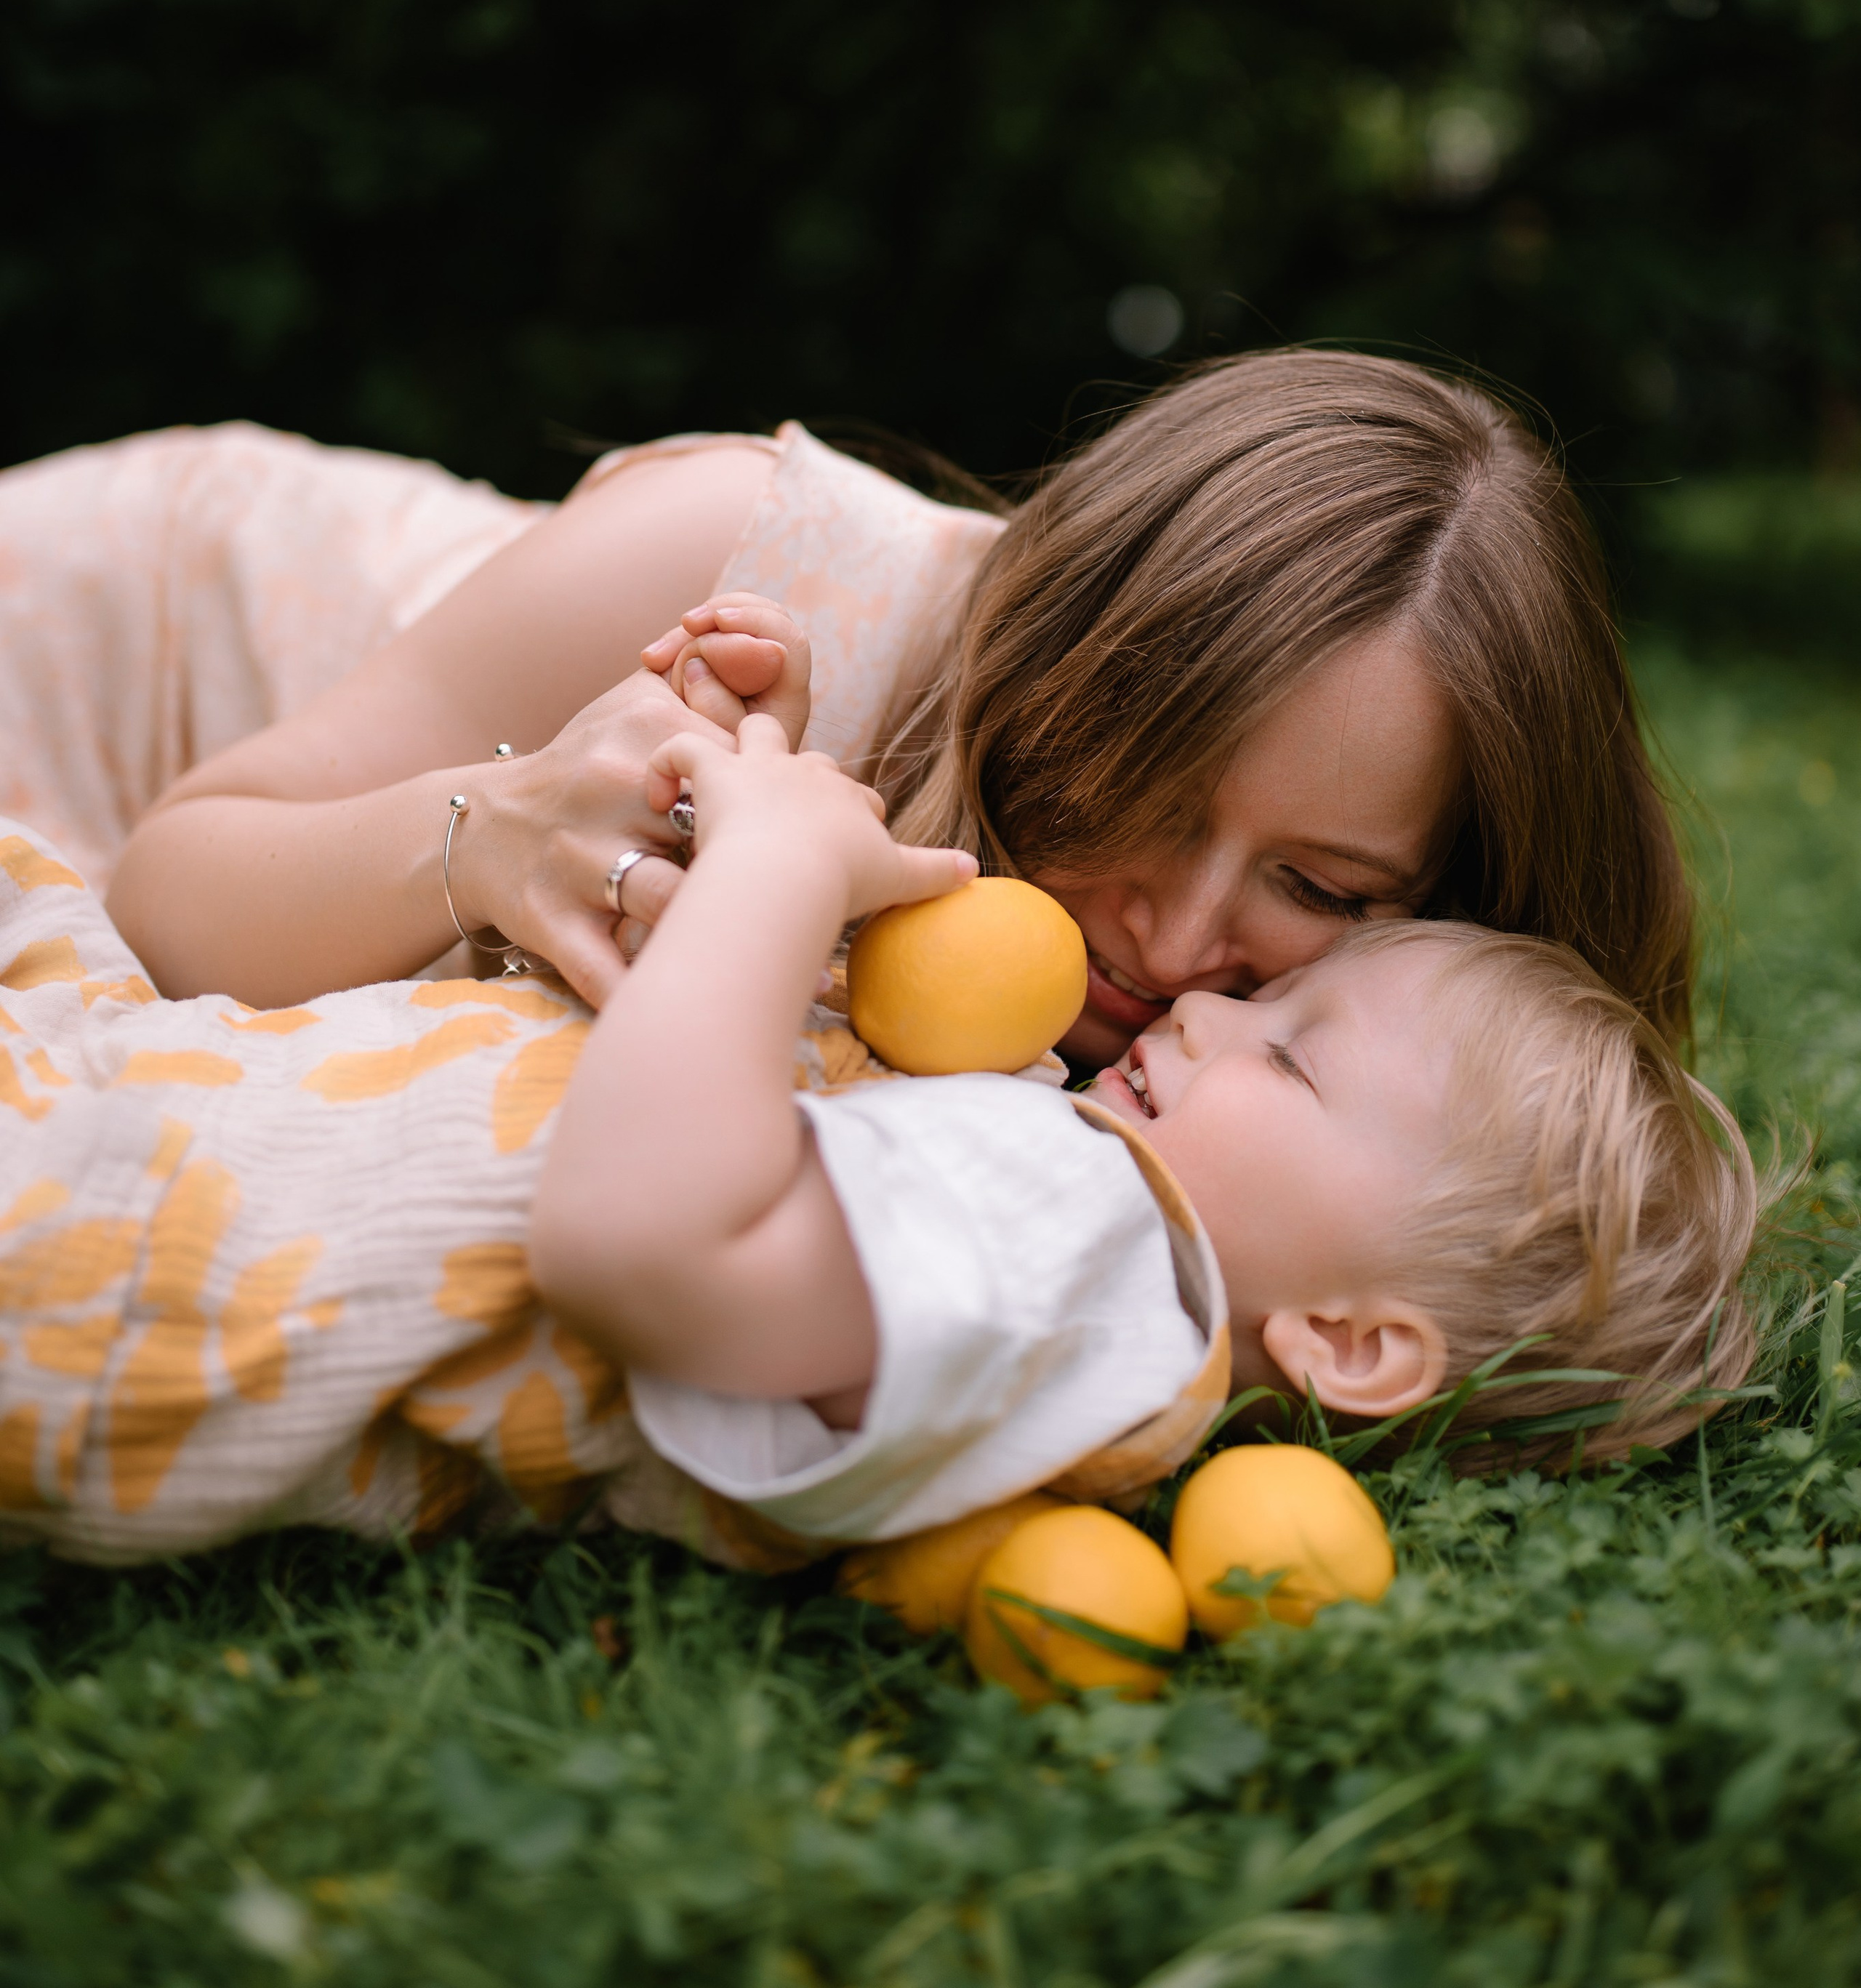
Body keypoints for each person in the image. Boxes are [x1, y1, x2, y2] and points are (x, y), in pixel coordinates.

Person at [0, 709, 1758, 1567]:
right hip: (158, 1098)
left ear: (1352, 1344)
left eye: (1291, 1062)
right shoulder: (1050, 1230)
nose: (1203, 1010)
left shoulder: (1079, 1249)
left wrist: (774, 866)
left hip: (121, 1232)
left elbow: (637, 1235)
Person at [1, 353, 1692, 1056]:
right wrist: (486, 839)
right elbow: (169, 890)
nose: (1176, 942)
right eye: (1138, 793)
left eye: (1319, 885)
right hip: (98, 636)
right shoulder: (738, 565)